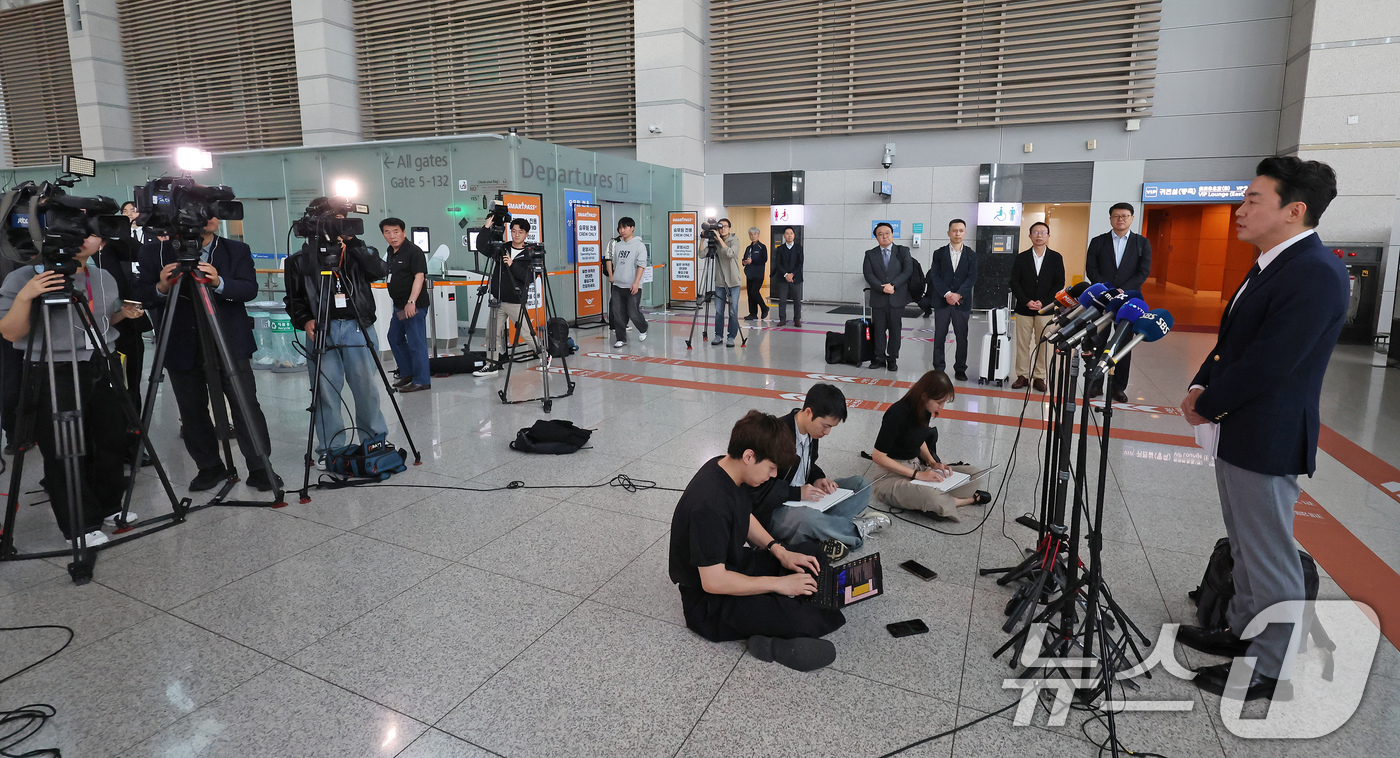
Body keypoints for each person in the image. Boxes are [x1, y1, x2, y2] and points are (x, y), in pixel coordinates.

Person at [1177, 157, 1349, 702]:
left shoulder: (1315, 272)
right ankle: (1239, 629)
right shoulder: (1273, 263)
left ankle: (1271, 668)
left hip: (1268, 432)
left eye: (1253, 199)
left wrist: (1211, 403)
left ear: (1294, 209)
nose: (1240, 208)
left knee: (1269, 551)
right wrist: (1201, 388)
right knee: (1247, 544)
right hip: (1241, 427)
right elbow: (1234, 342)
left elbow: (1272, 361)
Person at [669, 409, 844, 671]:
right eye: (771, 468)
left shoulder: (728, 469)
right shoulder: (710, 505)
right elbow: (713, 582)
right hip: (708, 605)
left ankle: (806, 599)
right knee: (797, 614)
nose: (773, 476)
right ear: (750, 456)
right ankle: (772, 643)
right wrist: (779, 584)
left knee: (809, 554)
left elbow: (745, 515)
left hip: (733, 563)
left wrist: (779, 550)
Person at [0, 235, 145, 547]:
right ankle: (78, 523)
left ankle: (108, 506)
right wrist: (27, 296)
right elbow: (10, 331)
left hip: (102, 362)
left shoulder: (102, 276)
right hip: (53, 367)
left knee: (109, 439)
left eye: (90, 232)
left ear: (101, 242)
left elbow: (100, 321)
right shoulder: (25, 276)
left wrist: (123, 314)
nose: (82, 238)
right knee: (64, 447)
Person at [136, 217, 280, 492]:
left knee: (245, 404)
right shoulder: (155, 252)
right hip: (180, 341)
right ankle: (209, 467)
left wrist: (219, 282)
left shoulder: (235, 250)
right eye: (203, 211)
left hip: (229, 340)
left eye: (214, 211)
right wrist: (162, 287)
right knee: (191, 410)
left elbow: (249, 289)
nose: (213, 217)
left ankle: (260, 466)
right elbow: (142, 294)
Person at [285, 206, 391, 465]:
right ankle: (330, 449)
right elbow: (294, 299)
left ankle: (374, 440)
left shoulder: (359, 253)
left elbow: (379, 271)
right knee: (325, 392)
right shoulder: (299, 260)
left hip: (357, 326)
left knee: (366, 388)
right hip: (322, 329)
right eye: (336, 221)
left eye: (344, 221)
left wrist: (354, 243)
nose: (342, 226)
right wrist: (305, 320)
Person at [749, 384, 888, 562]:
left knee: (861, 486)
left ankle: (822, 531)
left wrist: (818, 478)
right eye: (825, 426)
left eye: (831, 427)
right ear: (808, 412)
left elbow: (809, 463)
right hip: (777, 509)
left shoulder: (811, 433)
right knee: (806, 517)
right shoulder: (777, 435)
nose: (827, 432)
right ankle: (853, 530)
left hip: (807, 498)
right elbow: (759, 488)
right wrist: (797, 493)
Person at [871, 370, 990, 519]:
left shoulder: (924, 410)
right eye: (939, 402)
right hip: (890, 477)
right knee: (934, 498)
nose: (942, 407)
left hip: (917, 467)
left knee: (974, 474)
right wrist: (917, 475)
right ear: (924, 396)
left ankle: (938, 497)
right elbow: (878, 456)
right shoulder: (897, 413)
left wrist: (933, 463)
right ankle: (966, 500)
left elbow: (918, 439)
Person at [1085, 203, 1152, 402]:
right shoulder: (1098, 242)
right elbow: (1091, 269)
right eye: (1116, 216)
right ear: (1111, 219)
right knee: (1099, 342)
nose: (1120, 219)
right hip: (1103, 300)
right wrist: (1109, 290)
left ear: (1132, 218)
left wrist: (1124, 291)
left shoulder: (1142, 243)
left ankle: (1118, 388)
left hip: (1129, 302)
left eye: (1125, 216)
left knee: (1123, 344)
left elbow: (1143, 272)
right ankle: (1095, 384)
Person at [471, 217, 534, 376]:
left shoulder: (530, 253)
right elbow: (482, 247)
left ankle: (544, 355)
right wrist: (486, 227)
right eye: (513, 231)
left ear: (526, 234)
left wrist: (512, 264)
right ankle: (491, 364)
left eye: (520, 232)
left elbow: (529, 278)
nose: (516, 235)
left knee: (526, 333)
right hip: (498, 299)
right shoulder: (502, 248)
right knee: (492, 333)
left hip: (515, 301)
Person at [1008, 222, 1065, 392]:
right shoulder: (1021, 257)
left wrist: (1044, 301)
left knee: (1044, 344)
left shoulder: (1056, 257)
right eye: (1035, 232)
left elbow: (1059, 283)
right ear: (1030, 236)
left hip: (1046, 310)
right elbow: (1014, 282)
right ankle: (1022, 376)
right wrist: (1026, 301)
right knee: (1022, 344)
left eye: (1043, 232)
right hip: (1024, 309)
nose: (1039, 235)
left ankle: (1040, 377)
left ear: (1048, 235)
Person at [380, 218, 431, 393]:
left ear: (403, 232)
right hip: (400, 307)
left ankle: (422, 380)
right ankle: (408, 373)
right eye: (387, 232)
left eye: (395, 231)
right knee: (394, 337)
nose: (392, 236)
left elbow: (419, 277)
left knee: (416, 343)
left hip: (413, 307)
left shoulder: (413, 251)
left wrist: (412, 302)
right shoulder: (391, 252)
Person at [923, 219, 977, 380]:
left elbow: (972, 277)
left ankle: (960, 368)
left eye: (961, 230)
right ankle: (938, 368)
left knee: (962, 337)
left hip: (962, 302)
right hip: (942, 301)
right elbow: (935, 276)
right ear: (949, 233)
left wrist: (958, 295)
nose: (957, 233)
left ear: (965, 233)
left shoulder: (971, 255)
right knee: (940, 335)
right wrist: (947, 294)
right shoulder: (939, 253)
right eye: (954, 230)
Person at [861, 222, 913, 371]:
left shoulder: (902, 251)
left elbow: (907, 270)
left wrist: (893, 285)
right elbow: (868, 274)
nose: (884, 236)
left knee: (895, 330)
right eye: (880, 234)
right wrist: (881, 288)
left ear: (892, 234)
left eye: (887, 233)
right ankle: (879, 357)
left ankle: (892, 358)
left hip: (896, 298)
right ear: (876, 237)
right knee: (878, 330)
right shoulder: (870, 254)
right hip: (878, 298)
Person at [607, 216, 649, 348]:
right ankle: (621, 338)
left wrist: (637, 282)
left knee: (633, 312)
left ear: (632, 228)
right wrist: (613, 276)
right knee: (617, 313)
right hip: (618, 285)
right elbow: (615, 263)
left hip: (633, 285)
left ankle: (643, 327)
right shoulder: (618, 246)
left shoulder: (639, 246)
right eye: (620, 228)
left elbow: (641, 265)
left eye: (625, 227)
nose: (622, 230)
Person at [710, 218, 743, 347]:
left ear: (729, 228)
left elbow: (730, 253)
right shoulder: (715, 241)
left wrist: (719, 240)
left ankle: (731, 337)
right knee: (719, 311)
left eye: (725, 226)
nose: (722, 229)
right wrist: (702, 239)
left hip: (733, 281)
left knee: (732, 311)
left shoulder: (734, 240)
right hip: (720, 282)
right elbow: (702, 254)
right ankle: (718, 335)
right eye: (720, 226)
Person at [770, 227, 803, 326]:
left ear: (794, 235)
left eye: (791, 233)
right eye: (787, 234)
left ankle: (797, 319)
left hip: (795, 278)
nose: (789, 235)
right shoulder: (780, 249)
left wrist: (792, 274)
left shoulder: (799, 248)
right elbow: (778, 264)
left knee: (797, 300)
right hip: (783, 278)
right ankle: (782, 319)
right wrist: (786, 275)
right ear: (784, 236)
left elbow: (800, 263)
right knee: (782, 300)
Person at [742, 227, 769, 321]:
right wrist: (744, 262)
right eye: (751, 235)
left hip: (758, 274)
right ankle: (753, 313)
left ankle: (764, 308)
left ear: (758, 235)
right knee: (750, 294)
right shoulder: (748, 248)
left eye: (754, 234)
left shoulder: (762, 247)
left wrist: (752, 261)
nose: (753, 236)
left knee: (754, 292)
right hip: (749, 274)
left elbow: (764, 259)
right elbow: (744, 259)